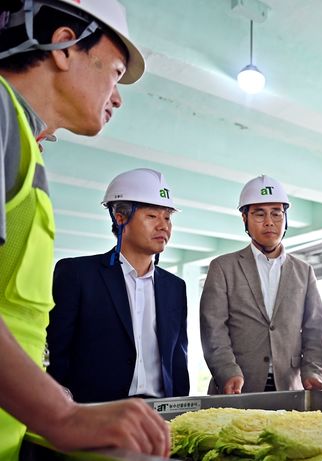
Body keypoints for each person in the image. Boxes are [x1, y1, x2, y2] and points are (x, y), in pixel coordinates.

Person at [0, 0, 169, 457]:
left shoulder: (22, 143)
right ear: (63, 46)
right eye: (115, 73)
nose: (116, 96)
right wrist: (62, 413)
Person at [48, 168, 190, 403]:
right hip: (95, 412)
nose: (164, 226)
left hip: (159, 414)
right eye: (152, 216)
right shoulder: (78, 274)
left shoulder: (175, 287)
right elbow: (57, 350)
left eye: (167, 217)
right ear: (120, 217)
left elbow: (177, 359)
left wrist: (181, 410)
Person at [200, 175, 322, 394]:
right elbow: (213, 330)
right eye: (259, 214)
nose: (269, 221)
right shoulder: (222, 267)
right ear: (244, 218)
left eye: (276, 213)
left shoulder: (304, 272)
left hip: (290, 388)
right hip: (237, 388)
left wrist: (313, 373)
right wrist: (227, 371)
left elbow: (315, 329)